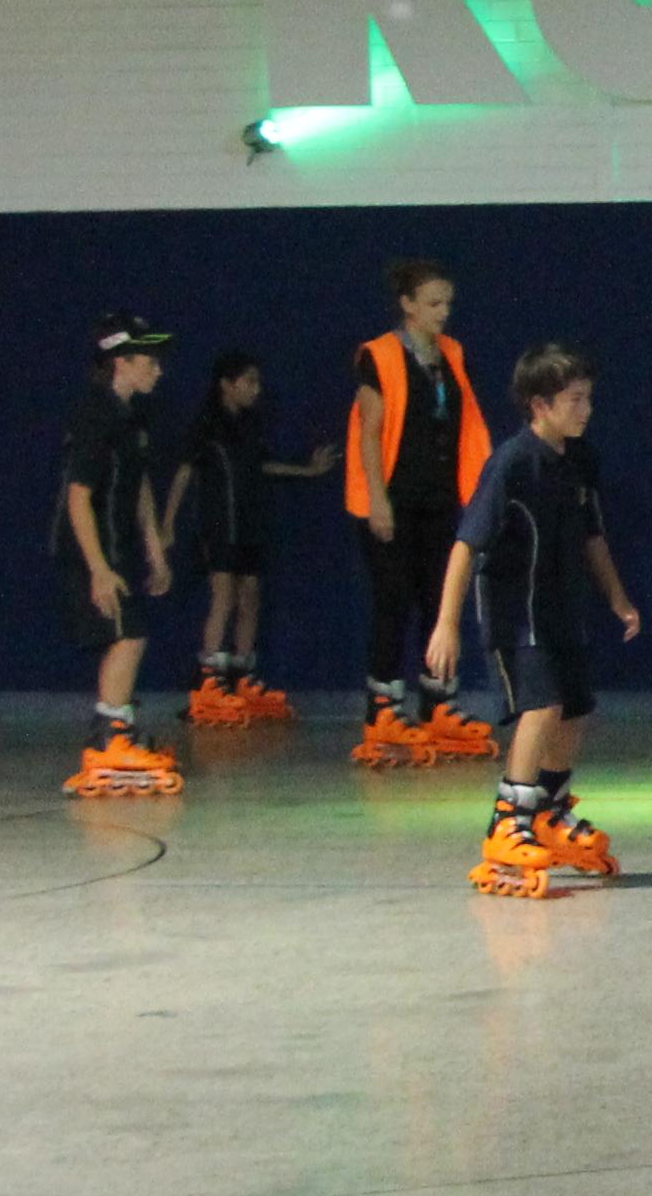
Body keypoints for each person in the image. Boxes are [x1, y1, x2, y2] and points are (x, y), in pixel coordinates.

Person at [423, 342, 636, 898]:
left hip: (562, 608)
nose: (587, 409)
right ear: (540, 405)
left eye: (589, 398)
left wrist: (618, 598)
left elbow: (592, 536)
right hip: (515, 614)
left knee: (575, 709)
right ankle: (508, 822)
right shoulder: (512, 463)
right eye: (575, 400)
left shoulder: (580, 460)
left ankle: (548, 810)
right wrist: (446, 623)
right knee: (541, 707)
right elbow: (466, 545)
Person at [342, 259, 494, 766]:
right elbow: (369, 432)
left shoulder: (452, 354)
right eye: (433, 303)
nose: (443, 312)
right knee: (394, 600)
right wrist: (378, 500)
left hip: (439, 499)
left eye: (447, 303)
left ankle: (438, 703)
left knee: (438, 601)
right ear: (407, 305)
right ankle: (383, 708)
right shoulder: (379, 356)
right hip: (393, 500)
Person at [167, 350, 332, 727]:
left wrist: (308, 471)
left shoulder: (251, 424)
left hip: (250, 523)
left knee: (250, 596)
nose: (257, 389)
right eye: (249, 382)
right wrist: (167, 524)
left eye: (258, 382)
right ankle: (208, 681)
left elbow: (262, 465)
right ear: (227, 384)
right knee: (223, 593)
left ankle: (242, 678)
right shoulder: (206, 425)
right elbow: (184, 473)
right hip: (218, 523)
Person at [56, 311, 184, 799]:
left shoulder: (133, 418)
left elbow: (141, 486)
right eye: (150, 360)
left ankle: (117, 729)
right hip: (90, 549)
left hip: (119, 545)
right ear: (121, 361)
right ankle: (109, 739)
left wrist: (154, 549)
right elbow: (78, 496)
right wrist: (98, 569)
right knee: (127, 636)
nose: (159, 370)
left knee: (132, 634)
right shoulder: (95, 416)